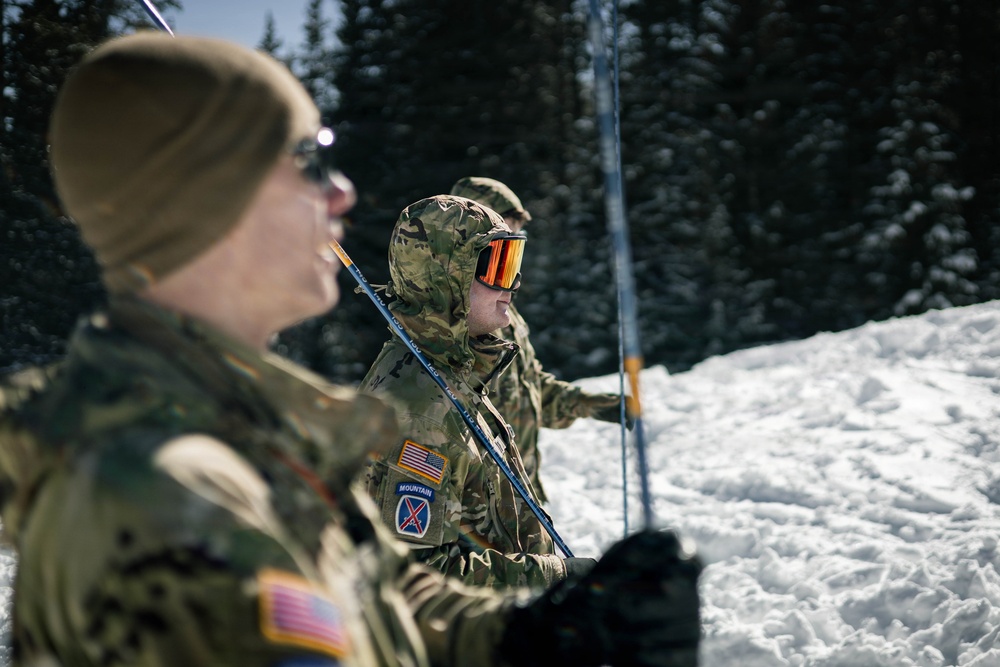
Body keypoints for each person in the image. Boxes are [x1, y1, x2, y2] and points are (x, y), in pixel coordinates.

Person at [0, 31, 702, 667]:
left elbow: (373, 582)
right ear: (205, 198)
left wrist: (539, 631)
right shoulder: (171, 497)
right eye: (305, 161)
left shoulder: (248, 423)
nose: (340, 193)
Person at [361, 193, 597, 589]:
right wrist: (556, 579)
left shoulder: (449, 374)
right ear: (446, 279)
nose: (513, 286)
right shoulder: (421, 410)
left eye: (513, 265)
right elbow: (417, 578)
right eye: (497, 269)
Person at [448, 176, 629, 503]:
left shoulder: (507, 316)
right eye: (503, 238)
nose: (513, 253)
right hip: (477, 508)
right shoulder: (454, 323)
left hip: (519, 499)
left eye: (518, 239)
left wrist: (594, 405)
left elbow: (531, 390)